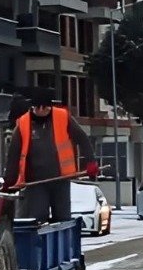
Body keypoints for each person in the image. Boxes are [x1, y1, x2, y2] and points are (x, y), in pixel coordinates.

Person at [5, 87, 98, 223]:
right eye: (38, 108)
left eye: (45, 107)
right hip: (35, 182)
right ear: (32, 107)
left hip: (61, 178)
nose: (41, 111)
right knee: (37, 217)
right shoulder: (23, 124)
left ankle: (62, 242)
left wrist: (91, 162)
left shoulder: (63, 117)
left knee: (62, 218)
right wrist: (9, 181)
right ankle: (39, 243)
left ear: (50, 106)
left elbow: (82, 139)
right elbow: (13, 156)